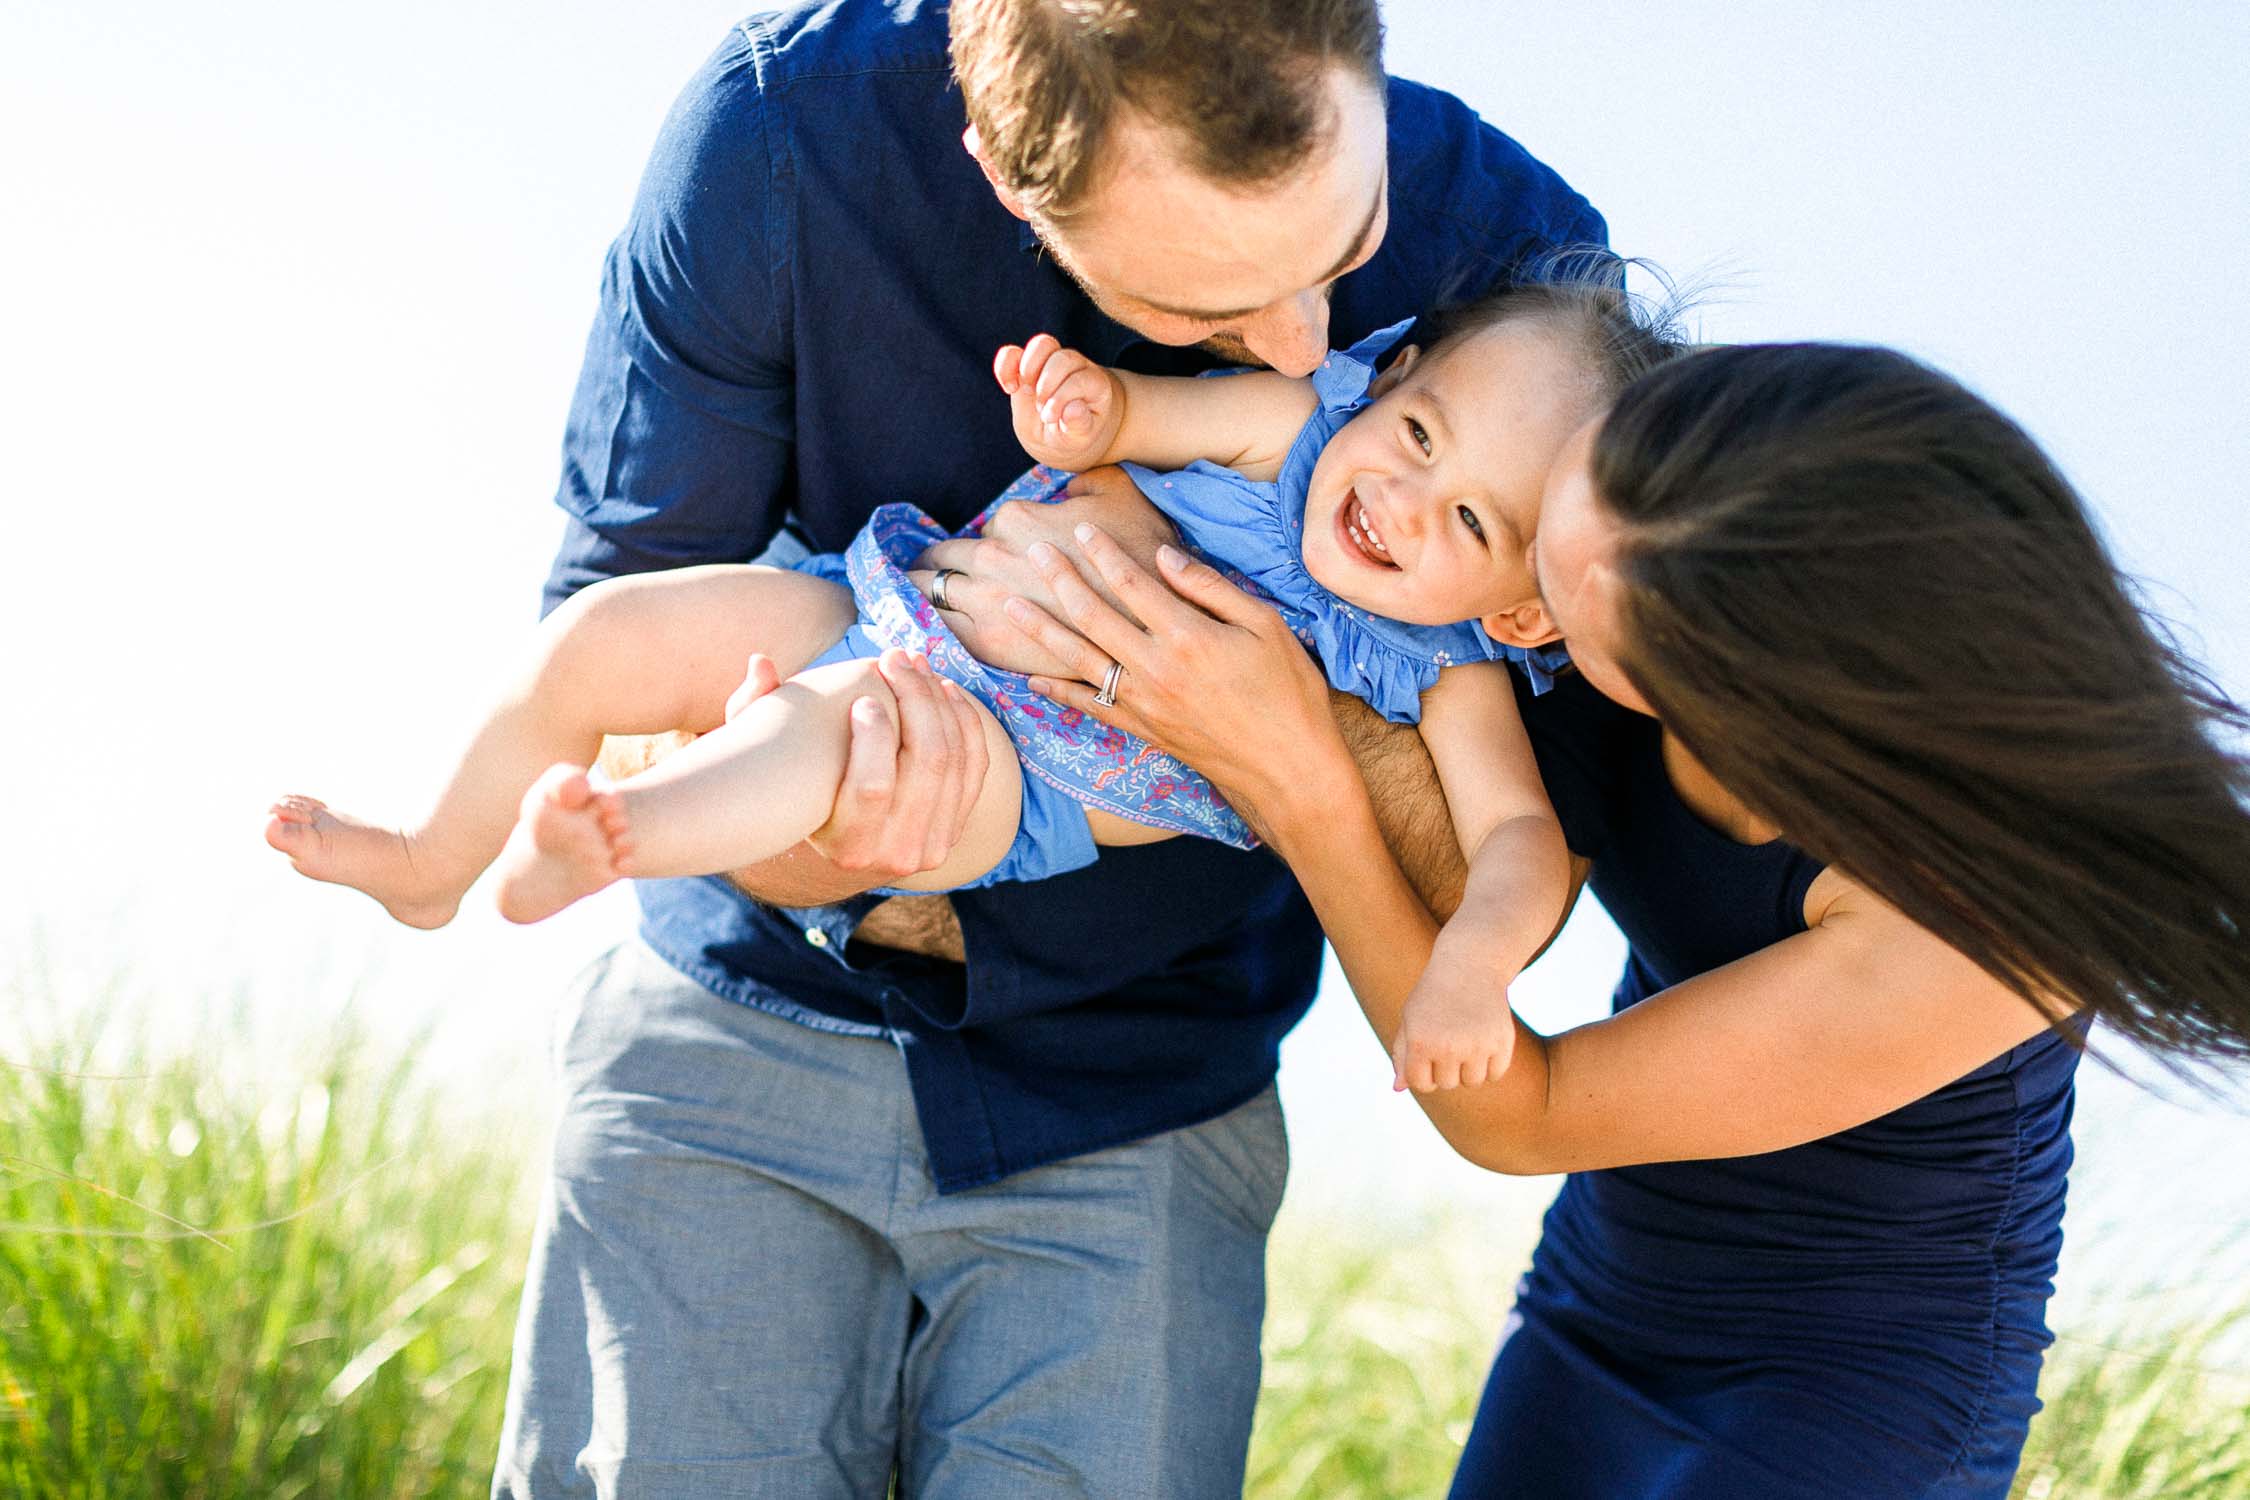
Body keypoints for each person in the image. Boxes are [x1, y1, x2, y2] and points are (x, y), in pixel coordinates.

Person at [483, 0, 1609, 1494]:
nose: (1305, 349)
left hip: (1142, 1096)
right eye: (1204, 311)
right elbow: (610, 646)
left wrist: (1259, 717)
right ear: (1006, 179)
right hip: (729, 1034)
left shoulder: (1529, 289)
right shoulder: (778, 138)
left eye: (1343, 253)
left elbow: (1527, 844)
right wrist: (820, 840)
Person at [1000, 340, 2250, 1497]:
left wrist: (1300, 783)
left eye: (1557, 601)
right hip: (1599, 1302)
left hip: (1853, 1391)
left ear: (1748, 696)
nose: (1517, 618)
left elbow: (1519, 1108)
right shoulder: (1670, 537)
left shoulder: (1983, 913)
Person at [266, 285, 1664, 1087]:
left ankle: (620, 838)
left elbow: (1518, 849)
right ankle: (436, 857)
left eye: (1473, 523)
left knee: (822, 734)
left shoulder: (1446, 669)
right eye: (1417, 433)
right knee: (616, 637)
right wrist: (1079, 409)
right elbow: (1137, 409)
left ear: (1523, 603)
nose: (1408, 501)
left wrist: (1470, 977)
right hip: (906, 591)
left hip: (1034, 778)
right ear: (1388, 378)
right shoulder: (1294, 429)